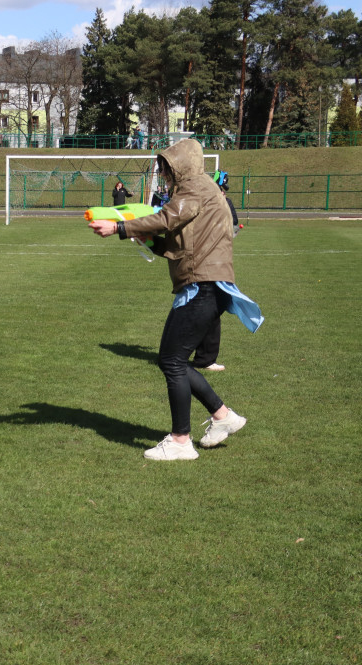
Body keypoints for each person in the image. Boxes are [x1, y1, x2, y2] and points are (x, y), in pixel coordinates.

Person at [89, 139, 262, 461]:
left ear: (180, 165)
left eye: (167, 167)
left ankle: (181, 441)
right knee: (175, 360)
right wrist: (144, 239)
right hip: (206, 284)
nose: (164, 173)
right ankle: (224, 417)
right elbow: (177, 241)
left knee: (171, 361)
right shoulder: (202, 189)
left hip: (203, 285)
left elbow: (168, 218)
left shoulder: (195, 187)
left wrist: (119, 227)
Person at [193, 170, 242, 372]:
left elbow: (234, 228)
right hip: (209, 263)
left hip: (213, 261)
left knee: (208, 307)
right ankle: (204, 358)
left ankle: (201, 356)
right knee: (208, 308)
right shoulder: (209, 201)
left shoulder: (218, 202)